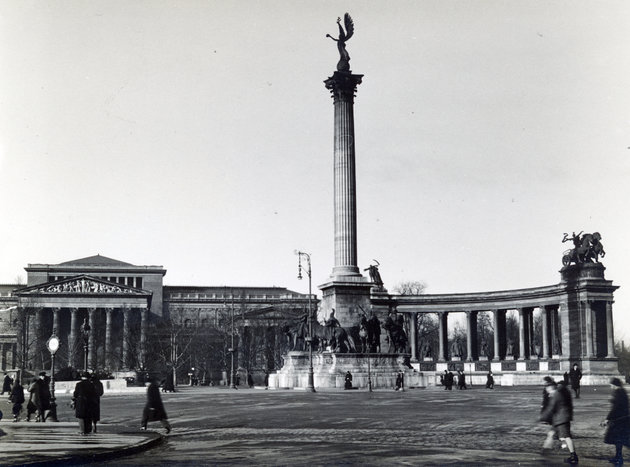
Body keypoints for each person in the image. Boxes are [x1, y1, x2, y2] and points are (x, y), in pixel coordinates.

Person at [540, 378, 578, 464]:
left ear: (551, 387)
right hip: (559, 419)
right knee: (553, 434)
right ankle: (545, 451)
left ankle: (573, 456)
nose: (546, 389)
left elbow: (551, 408)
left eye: (547, 387)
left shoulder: (556, 394)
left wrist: (542, 417)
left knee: (567, 437)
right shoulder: (556, 394)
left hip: (561, 419)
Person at [602, 377, 630, 465]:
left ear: (615, 385)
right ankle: (618, 457)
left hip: (619, 420)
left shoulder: (618, 393)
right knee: (620, 440)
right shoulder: (622, 391)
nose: (611, 387)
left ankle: (618, 457)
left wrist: (607, 419)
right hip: (623, 418)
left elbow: (615, 408)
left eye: (611, 385)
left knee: (620, 440)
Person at [540, 376, 556, 450]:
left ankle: (547, 446)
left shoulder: (552, 390)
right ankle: (547, 445)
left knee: (552, 431)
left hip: (554, 413)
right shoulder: (550, 389)